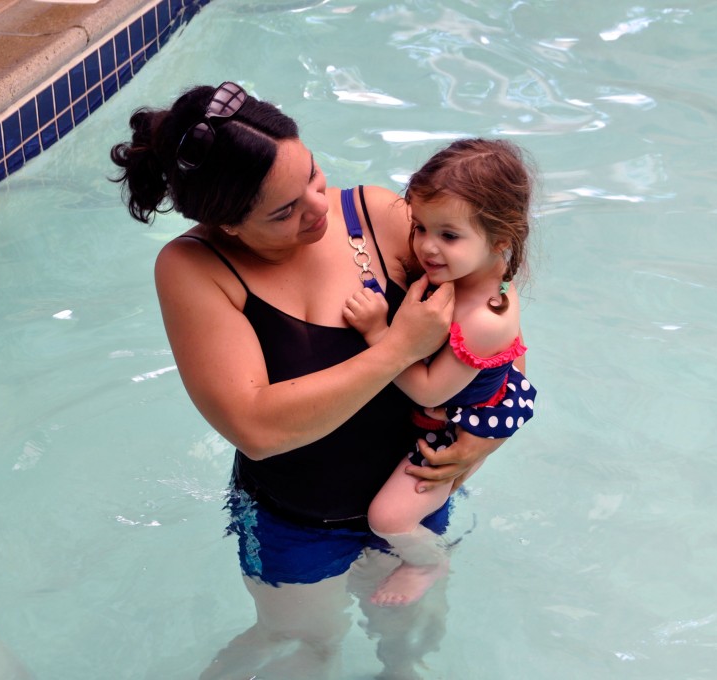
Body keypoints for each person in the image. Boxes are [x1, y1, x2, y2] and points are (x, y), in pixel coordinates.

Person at [110, 82, 532, 680]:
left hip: (411, 495)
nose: (319, 208)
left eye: (312, 175)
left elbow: (492, 324)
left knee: (408, 637)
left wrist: (488, 437)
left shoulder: (379, 217)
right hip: (294, 519)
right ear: (225, 222)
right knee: (302, 644)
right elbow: (255, 426)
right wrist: (398, 348)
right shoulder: (194, 269)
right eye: (284, 211)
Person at [343, 138, 538, 608]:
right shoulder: (470, 276)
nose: (426, 247)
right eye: (420, 227)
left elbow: (428, 391)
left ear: (500, 240)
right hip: (465, 395)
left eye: (448, 236)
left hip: (462, 419)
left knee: (387, 519)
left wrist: (378, 335)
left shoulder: (483, 317)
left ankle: (428, 560)